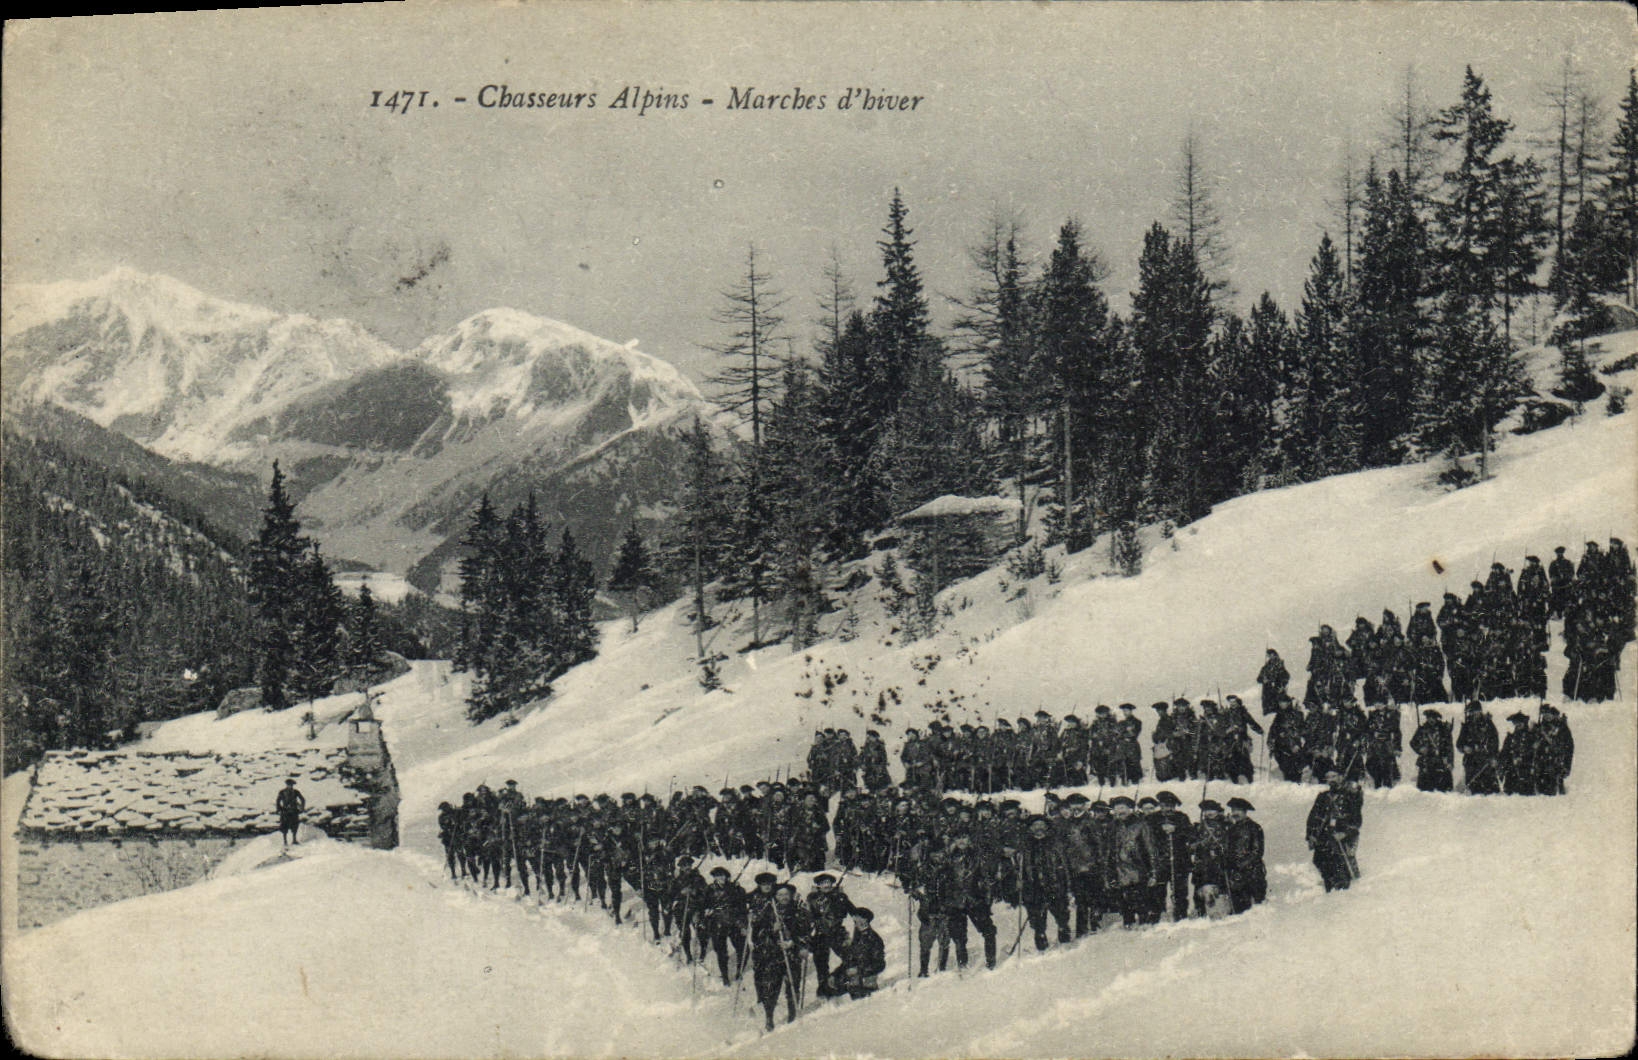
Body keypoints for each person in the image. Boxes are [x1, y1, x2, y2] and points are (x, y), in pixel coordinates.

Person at [751, 882, 811, 1030]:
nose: (783, 897)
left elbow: (807, 932)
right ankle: (769, 1017)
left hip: (792, 954)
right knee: (771, 987)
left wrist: (793, 943)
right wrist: (772, 929)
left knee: (792, 986)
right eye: (780, 895)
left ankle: (792, 1015)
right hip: (773, 955)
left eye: (786, 894)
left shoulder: (799, 911)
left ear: (791, 895)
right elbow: (757, 934)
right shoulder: (769, 911)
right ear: (775, 896)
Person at [1306, 770, 1362, 892]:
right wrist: (1311, 835)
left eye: (1334, 776)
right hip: (1325, 837)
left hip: (1342, 839)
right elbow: (1313, 817)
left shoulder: (1350, 795)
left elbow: (1356, 819)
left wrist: (1345, 833)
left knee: (1342, 868)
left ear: (1341, 777)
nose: (1331, 780)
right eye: (1328, 777)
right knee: (1321, 863)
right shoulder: (1323, 797)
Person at [805, 873, 854, 996]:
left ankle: (838, 981)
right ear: (818, 886)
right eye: (822, 883)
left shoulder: (840, 897)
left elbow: (853, 911)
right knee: (821, 965)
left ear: (832, 884)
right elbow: (807, 916)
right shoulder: (812, 899)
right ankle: (824, 991)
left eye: (828, 883)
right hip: (820, 934)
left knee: (850, 958)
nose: (826, 886)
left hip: (837, 932)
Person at [1223, 797, 1266, 913]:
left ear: (1245, 812)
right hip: (1235, 876)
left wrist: (1242, 864)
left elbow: (1257, 852)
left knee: (1256, 909)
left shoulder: (1254, 828)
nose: (1235, 813)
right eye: (1233, 810)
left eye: (1238, 810)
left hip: (1252, 874)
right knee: (1238, 908)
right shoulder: (1230, 829)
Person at [838, 908, 886, 1000]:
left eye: (857, 918)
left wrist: (859, 969)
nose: (855, 921)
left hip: (868, 975)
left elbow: (878, 962)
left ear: (865, 920)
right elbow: (851, 957)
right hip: (857, 976)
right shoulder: (857, 937)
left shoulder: (873, 938)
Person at [1456, 701, 1500, 795]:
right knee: (1473, 790)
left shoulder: (1489, 724)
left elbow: (1495, 743)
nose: (1473, 714)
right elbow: (1459, 744)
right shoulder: (1466, 726)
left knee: (1490, 792)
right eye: (1471, 712)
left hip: (1486, 763)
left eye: (1475, 712)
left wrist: (1493, 757)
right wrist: (1465, 748)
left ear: (1480, 711)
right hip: (1471, 763)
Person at [1409, 708, 1454, 792]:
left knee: (1444, 791)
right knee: (1425, 791)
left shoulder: (1444, 730)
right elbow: (1413, 742)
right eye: (1429, 718)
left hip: (1441, 761)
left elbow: (1449, 747)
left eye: (1433, 718)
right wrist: (1420, 749)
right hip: (1426, 762)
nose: (1431, 720)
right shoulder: (1422, 729)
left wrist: (1450, 762)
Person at [276, 778, 305, 846]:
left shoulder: (296, 792)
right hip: (285, 811)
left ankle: (294, 840)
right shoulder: (282, 792)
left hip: (294, 811)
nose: (290, 786)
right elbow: (278, 801)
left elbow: (303, 799)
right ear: (286, 785)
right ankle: (285, 841)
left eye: (291, 785)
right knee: (284, 826)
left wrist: (302, 808)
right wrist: (279, 809)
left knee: (295, 825)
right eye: (289, 785)